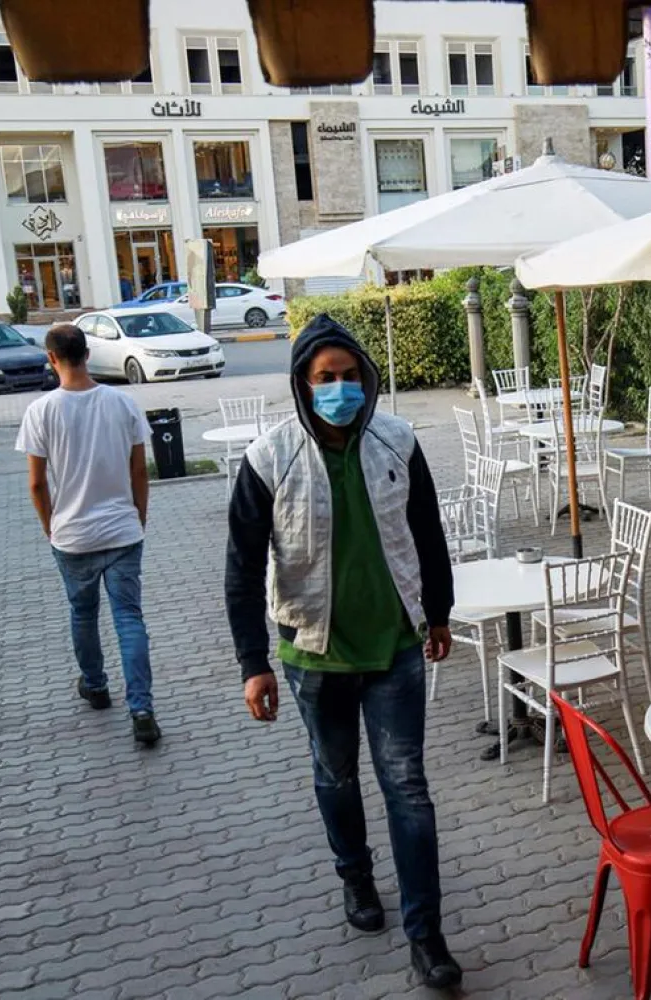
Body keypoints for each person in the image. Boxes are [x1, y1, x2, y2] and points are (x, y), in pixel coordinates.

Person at [225, 316, 461, 989]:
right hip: (313, 655)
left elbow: (428, 533)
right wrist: (253, 664)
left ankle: (428, 936)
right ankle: (355, 876)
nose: (340, 389)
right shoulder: (270, 458)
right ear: (302, 384)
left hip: (395, 649)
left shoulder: (398, 441)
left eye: (349, 375)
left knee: (408, 790)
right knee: (336, 777)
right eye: (325, 378)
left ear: (367, 377)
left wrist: (437, 613)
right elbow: (241, 568)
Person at [17, 323, 159, 746]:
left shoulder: (41, 411)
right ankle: (143, 710)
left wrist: (50, 525)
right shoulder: (122, 403)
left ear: (51, 358)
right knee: (129, 619)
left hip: (71, 534)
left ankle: (96, 686)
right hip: (122, 531)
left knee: (83, 614)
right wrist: (139, 516)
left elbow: (37, 484)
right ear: (88, 354)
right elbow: (139, 470)